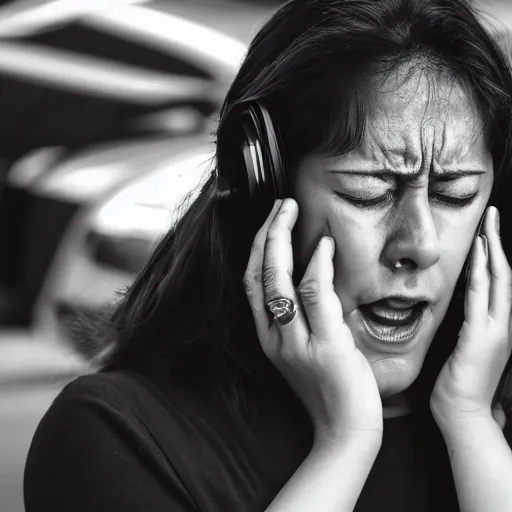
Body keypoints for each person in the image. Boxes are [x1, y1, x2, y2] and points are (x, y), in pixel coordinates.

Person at [23, 0, 512, 510]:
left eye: (454, 194)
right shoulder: (113, 435)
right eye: (370, 190)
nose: (421, 246)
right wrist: (346, 441)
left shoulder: (495, 424)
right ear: (264, 191)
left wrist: (473, 427)